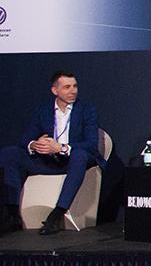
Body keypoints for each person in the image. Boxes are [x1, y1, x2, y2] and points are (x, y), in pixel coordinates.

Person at [0, 71, 101, 235]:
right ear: (55, 90)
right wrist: (35, 144)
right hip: (48, 160)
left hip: (72, 160)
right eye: (67, 87)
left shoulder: (87, 110)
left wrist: (60, 148)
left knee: (80, 155)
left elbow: (91, 145)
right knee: (10, 153)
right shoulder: (43, 110)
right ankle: (12, 215)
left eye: (75, 86)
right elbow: (25, 138)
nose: (73, 91)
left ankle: (56, 215)